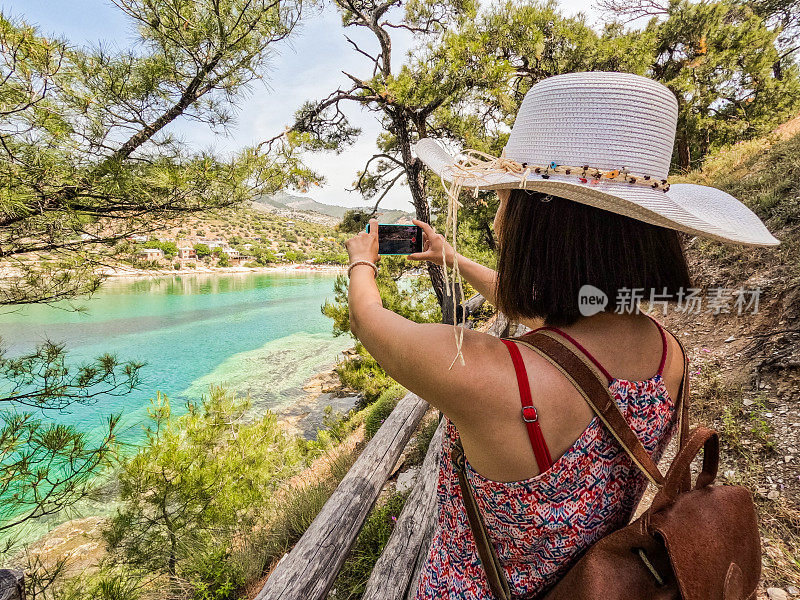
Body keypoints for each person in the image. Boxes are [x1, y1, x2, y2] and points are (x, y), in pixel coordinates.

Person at [343, 72, 777, 599]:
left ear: (546, 226)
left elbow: (371, 322)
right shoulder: (667, 351)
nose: (500, 221)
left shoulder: (486, 375)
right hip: (590, 582)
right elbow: (549, 319)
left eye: (507, 201)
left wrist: (361, 263)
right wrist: (450, 256)